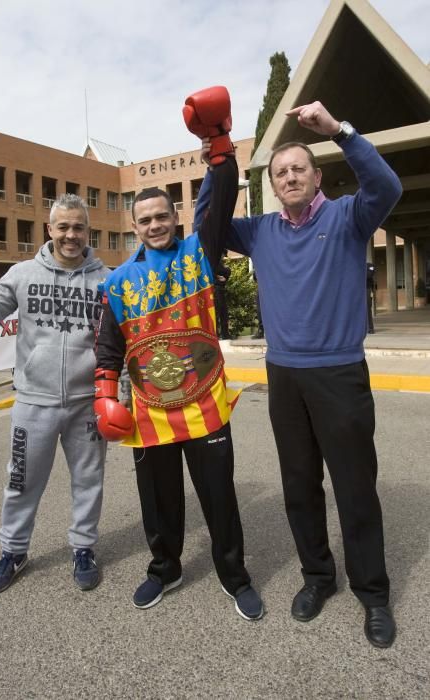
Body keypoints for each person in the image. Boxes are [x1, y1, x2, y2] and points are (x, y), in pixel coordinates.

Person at [197, 101, 402, 648]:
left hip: (339, 373)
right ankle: (318, 577)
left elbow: (388, 187)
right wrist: (217, 170)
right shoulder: (261, 231)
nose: (289, 176)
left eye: (298, 169)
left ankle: (374, 595)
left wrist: (340, 131)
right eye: (280, 171)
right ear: (272, 183)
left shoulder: (349, 216)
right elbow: (207, 231)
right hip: (283, 376)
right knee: (299, 487)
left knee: (355, 488)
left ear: (316, 178)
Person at [93, 86, 263, 621]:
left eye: (162, 216)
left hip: (207, 404)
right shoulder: (117, 282)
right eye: (144, 220)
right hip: (149, 415)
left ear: (174, 216)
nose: (154, 225)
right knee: (159, 505)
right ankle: (164, 569)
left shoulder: (200, 250)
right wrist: (103, 395)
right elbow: (108, 346)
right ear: (135, 226)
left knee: (221, 498)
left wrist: (220, 147)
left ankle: (234, 576)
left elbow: (219, 197)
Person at [0, 194, 113, 595]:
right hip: (33, 403)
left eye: (78, 227)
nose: (71, 235)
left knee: (88, 480)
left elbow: (117, 339)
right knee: (20, 482)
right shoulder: (22, 274)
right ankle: (13, 551)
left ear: (87, 231)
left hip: (86, 403)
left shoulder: (107, 278)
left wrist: (117, 392)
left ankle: (83, 548)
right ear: (49, 229)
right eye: (63, 227)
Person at [214, 258, 231, 339]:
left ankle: (223, 334)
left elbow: (226, 273)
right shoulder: (214, 260)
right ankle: (219, 334)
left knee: (222, 311)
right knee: (219, 311)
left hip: (219, 288)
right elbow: (224, 271)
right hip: (216, 288)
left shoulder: (218, 261)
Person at [251, 270, 264, 339]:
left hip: (269, 288)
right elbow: (255, 275)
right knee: (259, 310)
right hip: (261, 288)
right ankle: (261, 330)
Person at [366, 262, 376, 333]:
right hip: (357, 289)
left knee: (367, 307)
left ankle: (370, 328)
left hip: (367, 289)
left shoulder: (370, 265)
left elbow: (369, 275)